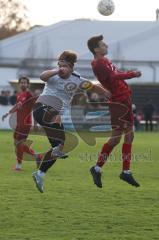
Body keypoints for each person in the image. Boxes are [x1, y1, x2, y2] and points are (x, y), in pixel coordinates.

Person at [32, 50, 109, 193]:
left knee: (60, 147)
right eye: (59, 65)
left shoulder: (77, 79)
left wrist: (106, 93)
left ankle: (40, 174)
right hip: (41, 108)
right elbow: (42, 76)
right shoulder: (52, 76)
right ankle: (54, 147)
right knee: (58, 142)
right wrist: (56, 69)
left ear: (72, 67)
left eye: (64, 66)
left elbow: (92, 86)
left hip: (53, 115)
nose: (61, 68)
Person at [87, 35, 142, 188]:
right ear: (96, 49)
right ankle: (99, 168)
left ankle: (124, 171)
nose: (107, 47)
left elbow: (115, 76)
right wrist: (132, 74)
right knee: (117, 138)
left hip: (123, 99)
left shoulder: (104, 61)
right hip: (119, 102)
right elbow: (114, 77)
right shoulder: (98, 63)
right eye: (103, 45)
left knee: (128, 135)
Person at [2, 76, 41, 171]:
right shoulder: (20, 94)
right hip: (19, 124)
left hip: (25, 124)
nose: (23, 84)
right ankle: (37, 157)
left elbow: (35, 109)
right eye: (22, 82)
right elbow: (17, 106)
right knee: (17, 143)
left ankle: (19, 166)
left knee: (19, 144)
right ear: (19, 84)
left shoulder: (29, 95)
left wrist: (35, 124)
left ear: (28, 84)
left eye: (25, 82)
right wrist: (8, 113)